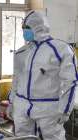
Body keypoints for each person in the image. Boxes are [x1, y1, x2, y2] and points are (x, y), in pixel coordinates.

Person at [9, 10, 78, 140]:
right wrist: (12, 102)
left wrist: (65, 109)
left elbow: (71, 82)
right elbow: (16, 79)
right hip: (22, 106)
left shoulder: (60, 49)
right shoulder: (21, 52)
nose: (24, 31)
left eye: (27, 28)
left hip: (48, 108)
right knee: (22, 137)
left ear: (39, 27)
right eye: (23, 28)